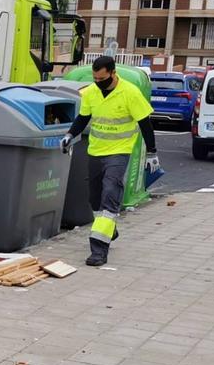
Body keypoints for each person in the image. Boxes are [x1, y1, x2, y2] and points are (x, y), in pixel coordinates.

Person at [61, 56, 159, 267]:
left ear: (114, 73)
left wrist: (152, 153)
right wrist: (70, 135)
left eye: (103, 79)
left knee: (110, 193)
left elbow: (145, 124)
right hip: (96, 150)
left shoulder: (130, 92)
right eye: (95, 78)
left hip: (120, 151)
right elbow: (83, 118)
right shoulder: (91, 92)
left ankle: (98, 249)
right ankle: (109, 228)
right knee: (95, 199)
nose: (99, 82)